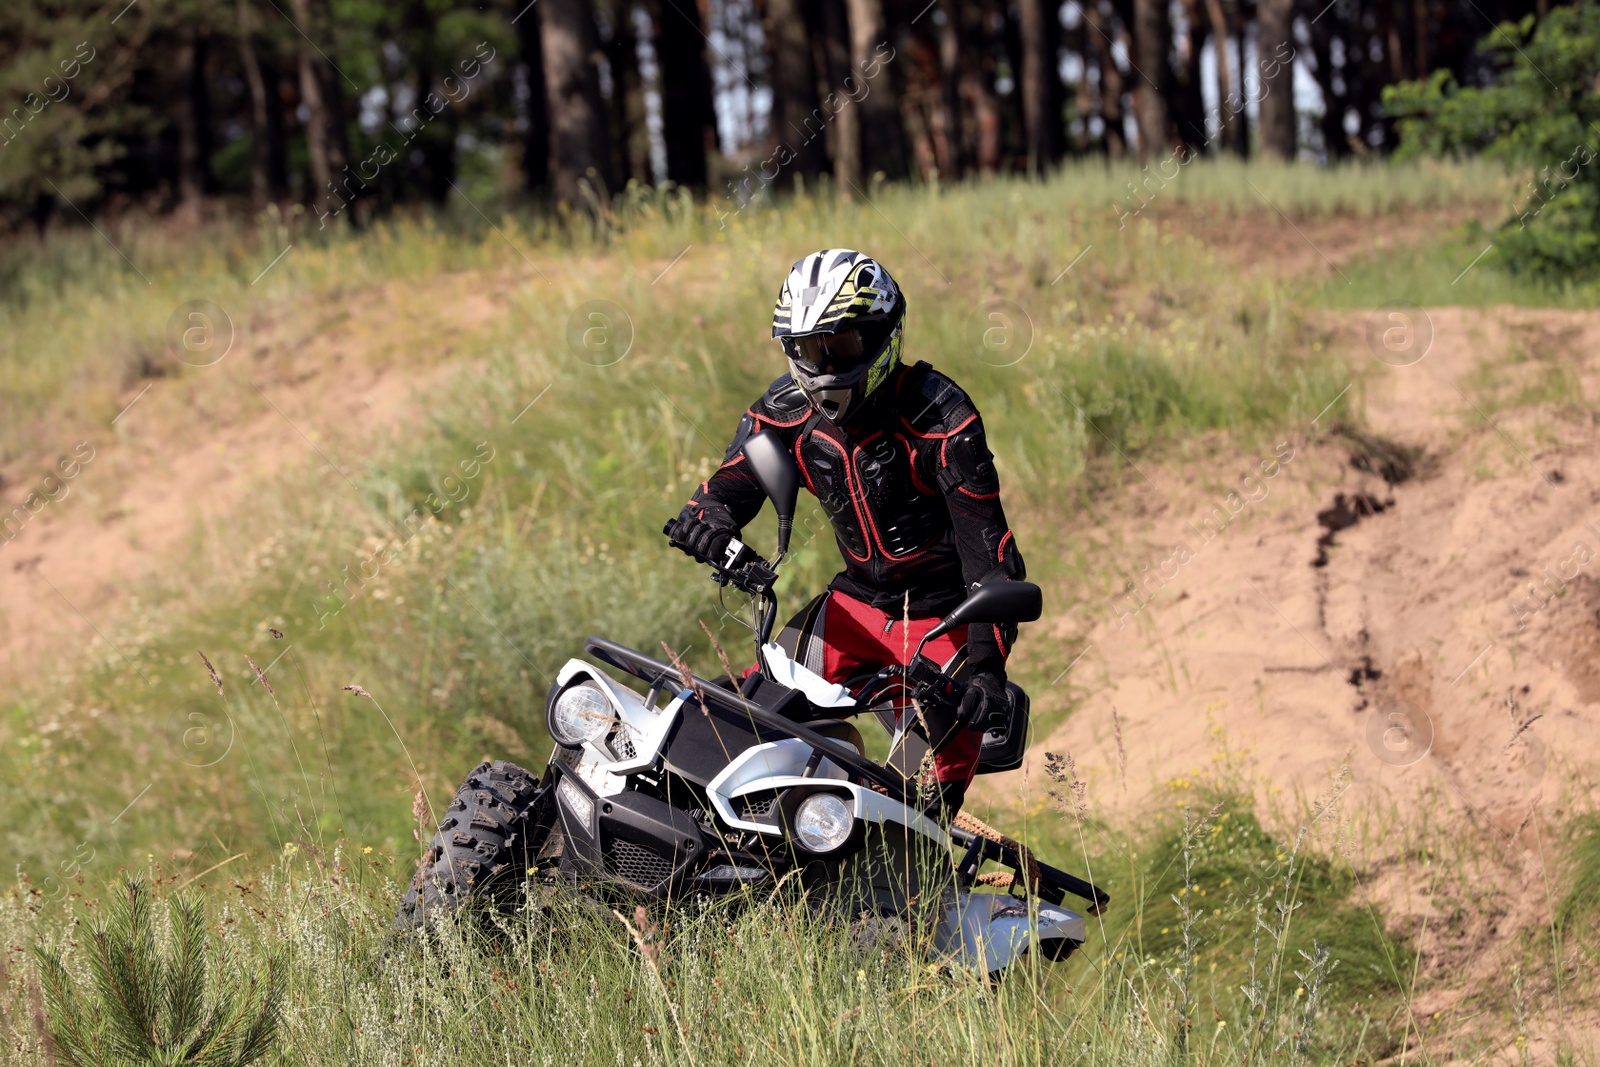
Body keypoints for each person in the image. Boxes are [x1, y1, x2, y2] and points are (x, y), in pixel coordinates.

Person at [666, 249, 1026, 819]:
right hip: (853, 606)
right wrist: (707, 524)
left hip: (946, 622)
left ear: (884, 334)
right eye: (808, 349)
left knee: (919, 806)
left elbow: (992, 559)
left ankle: (907, 893)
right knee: (739, 717)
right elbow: (726, 490)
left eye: (840, 346)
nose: (823, 364)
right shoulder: (782, 412)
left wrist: (986, 667)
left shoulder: (943, 418)